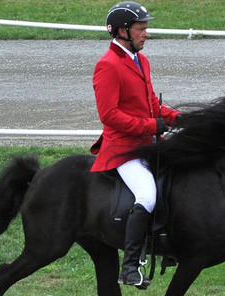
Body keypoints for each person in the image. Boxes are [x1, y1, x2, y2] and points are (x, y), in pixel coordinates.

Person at [90, 1, 180, 288]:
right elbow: (109, 115)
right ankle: (130, 267)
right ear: (121, 31)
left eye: (146, 28)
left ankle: (171, 245)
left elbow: (151, 103)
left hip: (148, 142)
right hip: (123, 149)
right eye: (141, 29)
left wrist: (177, 117)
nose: (146, 34)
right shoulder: (107, 65)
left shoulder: (141, 60)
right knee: (148, 195)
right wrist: (152, 126)